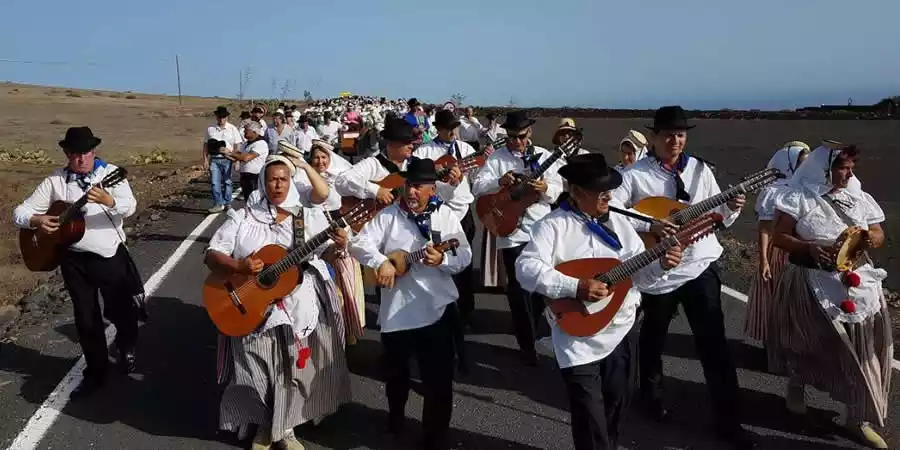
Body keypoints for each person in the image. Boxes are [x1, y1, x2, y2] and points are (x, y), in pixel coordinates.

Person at [517, 153, 683, 450]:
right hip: (577, 340)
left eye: (610, 189)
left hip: (620, 330)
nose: (609, 195)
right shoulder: (552, 226)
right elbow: (526, 269)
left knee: (616, 408)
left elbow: (640, 276)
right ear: (577, 192)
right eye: (600, 190)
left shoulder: (620, 221)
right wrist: (576, 286)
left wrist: (661, 266)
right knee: (591, 418)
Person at [611, 106, 752, 449]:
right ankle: (651, 397)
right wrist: (651, 225)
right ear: (655, 138)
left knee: (714, 343)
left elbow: (717, 216)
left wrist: (731, 209)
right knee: (654, 337)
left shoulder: (701, 170)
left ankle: (729, 421)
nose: (675, 141)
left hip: (701, 265)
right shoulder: (634, 176)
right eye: (669, 135)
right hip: (659, 272)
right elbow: (614, 215)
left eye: (681, 135)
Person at [205, 156, 351, 450]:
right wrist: (239, 265)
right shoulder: (243, 217)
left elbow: (324, 255)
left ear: (290, 182)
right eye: (272, 179)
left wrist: (340, 246)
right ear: (262, 182)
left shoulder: (306, 217)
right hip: (250, 306)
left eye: (284, 179)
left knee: (291, 368)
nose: (278, 185)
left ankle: (284, 430)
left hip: (297, 305)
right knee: (255, 369)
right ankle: (262, 425)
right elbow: (211, 254)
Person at [767, 144, 891, 449]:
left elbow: (878, 233)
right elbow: (780, 236)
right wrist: (809, 248)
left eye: (850, 168)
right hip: (812, 280)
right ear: (824, 169)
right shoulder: (798, 197)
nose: (848, 174)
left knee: (862, 351)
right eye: (841, 168)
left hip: (857, 283)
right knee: (807, 342)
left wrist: (866, 238)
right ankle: (796, 387)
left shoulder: (859, 197)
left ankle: (858, 416)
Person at [348, 157, 472, 450]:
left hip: (437, 309)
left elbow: (464, 255)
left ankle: (435, 434)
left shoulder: (445, 216)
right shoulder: (389, 215)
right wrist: (382, 262)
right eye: (408, 185)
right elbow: (358, 243)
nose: (412, 192)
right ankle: (395, 417)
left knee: (438, 380)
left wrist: (443, 259)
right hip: (398, 311)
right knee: (396, 374)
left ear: (432, 188)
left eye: (418, 186)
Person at [13, 126, 143, 396]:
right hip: (73, 260)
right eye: (75, 154)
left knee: (120, 309)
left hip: (109, 256)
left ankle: (127, 343)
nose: (82, 159)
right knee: (86, 318)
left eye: (86, 153)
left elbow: (129, 206)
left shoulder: (111, 175)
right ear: (67, 154)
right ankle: (95, 373)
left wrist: (109, 201)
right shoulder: (56, 181)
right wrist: (36, 220)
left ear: (93, 151)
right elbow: (20, 211)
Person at [471, 110, 564, 365]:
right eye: (512, 137)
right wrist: (498, 182)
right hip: (510, 231)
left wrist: (545, 188)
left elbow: (558, 188)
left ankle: (537, 331)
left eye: (521, 137)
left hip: (541, 229)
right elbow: (478, 186)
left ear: (530, 133)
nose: (517, 142)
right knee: (518, 287)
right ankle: (526, 344)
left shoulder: (545, 156)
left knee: (541, 286)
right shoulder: (498, 158)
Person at [287, 139, 367, 343]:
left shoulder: (341, 177)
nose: (320, 161)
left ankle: (349, 329)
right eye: (316, 157)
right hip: (316, 236)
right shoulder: (303, 181)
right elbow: (318, 198)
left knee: (346, 281)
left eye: (324, 157)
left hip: (340, 232)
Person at [413, 110, 479, 329]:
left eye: (454, 127)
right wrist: (446, 184)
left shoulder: (466, 149)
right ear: (438, 128)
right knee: (436, 261)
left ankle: (466, 312)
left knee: (464, 262)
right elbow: (422, 184)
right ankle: (438, 311)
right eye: (447, 128)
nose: (452, 131)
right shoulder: (425, 151)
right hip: (438, 213)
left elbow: (476, 180)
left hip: (464, 212)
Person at [744, 141, 809, 346]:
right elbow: (764, 229)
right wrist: (764, 260)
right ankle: (773, 348)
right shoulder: (774, 192)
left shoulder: (807, 188)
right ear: (788, 162)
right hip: (778, 254)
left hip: (799, 251)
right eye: (801, 163)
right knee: (774, 300)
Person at [204, 106, 243, 213]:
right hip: (214, 159)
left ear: (227, 117)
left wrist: (237, 160)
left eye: (224, 117)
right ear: (216, 117)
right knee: (214, 182)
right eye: (219, 117)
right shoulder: (210, 129)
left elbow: (237, 145)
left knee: (227, 182)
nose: (221, 119)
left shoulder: (232, 129)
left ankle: (227, 203)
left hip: (228, 159)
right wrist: (205, 160)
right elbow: (206, 145)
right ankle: (218, 203)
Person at [230, 121, 269, 201]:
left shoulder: (261, 143)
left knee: (255, 199)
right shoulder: (246, 144)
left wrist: (230, 153)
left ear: (254, 132)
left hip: (255, 177)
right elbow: (239, 156)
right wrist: (225, 153)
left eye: (246, 130)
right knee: (247, 199)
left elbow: (246, 158)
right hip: (245, 175)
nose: (244, 131)